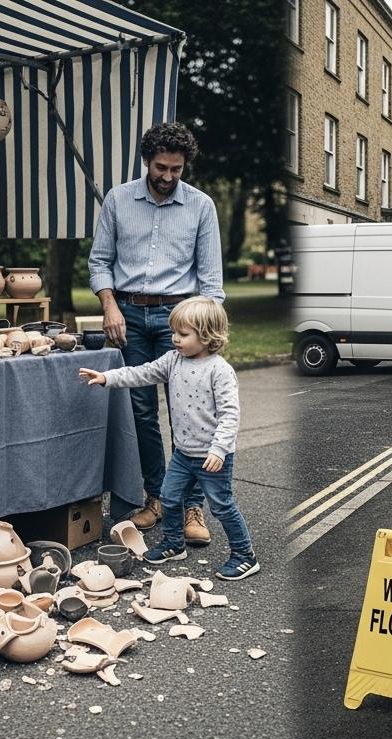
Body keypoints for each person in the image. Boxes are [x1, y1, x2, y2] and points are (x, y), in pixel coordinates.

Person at [89, 122, 224, 544]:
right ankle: (158, 498)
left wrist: (208, 331)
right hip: (128, 316)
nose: (167, 176)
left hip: (180, 320)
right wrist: (109, 306)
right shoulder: (118, 199)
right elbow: (99, 261)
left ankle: (193, 509)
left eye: (176, 169)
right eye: (161, 167)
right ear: (147, 160)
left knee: (192, 414)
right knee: (142, 414)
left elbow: (212, 281)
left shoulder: (201, 206)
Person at [78, 297, 259, 580]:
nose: (174, 339)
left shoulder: (220, 370)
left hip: (212, 457)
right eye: (174, 332)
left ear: (208, 335)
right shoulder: (173, 360)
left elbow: (229, 415)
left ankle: (244, 555)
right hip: (184, 455)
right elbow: (142, 373)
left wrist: (219, 449)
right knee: (170, 498)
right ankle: (174, 544)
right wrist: (107, 377)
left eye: (183, 334)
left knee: (222, 506)